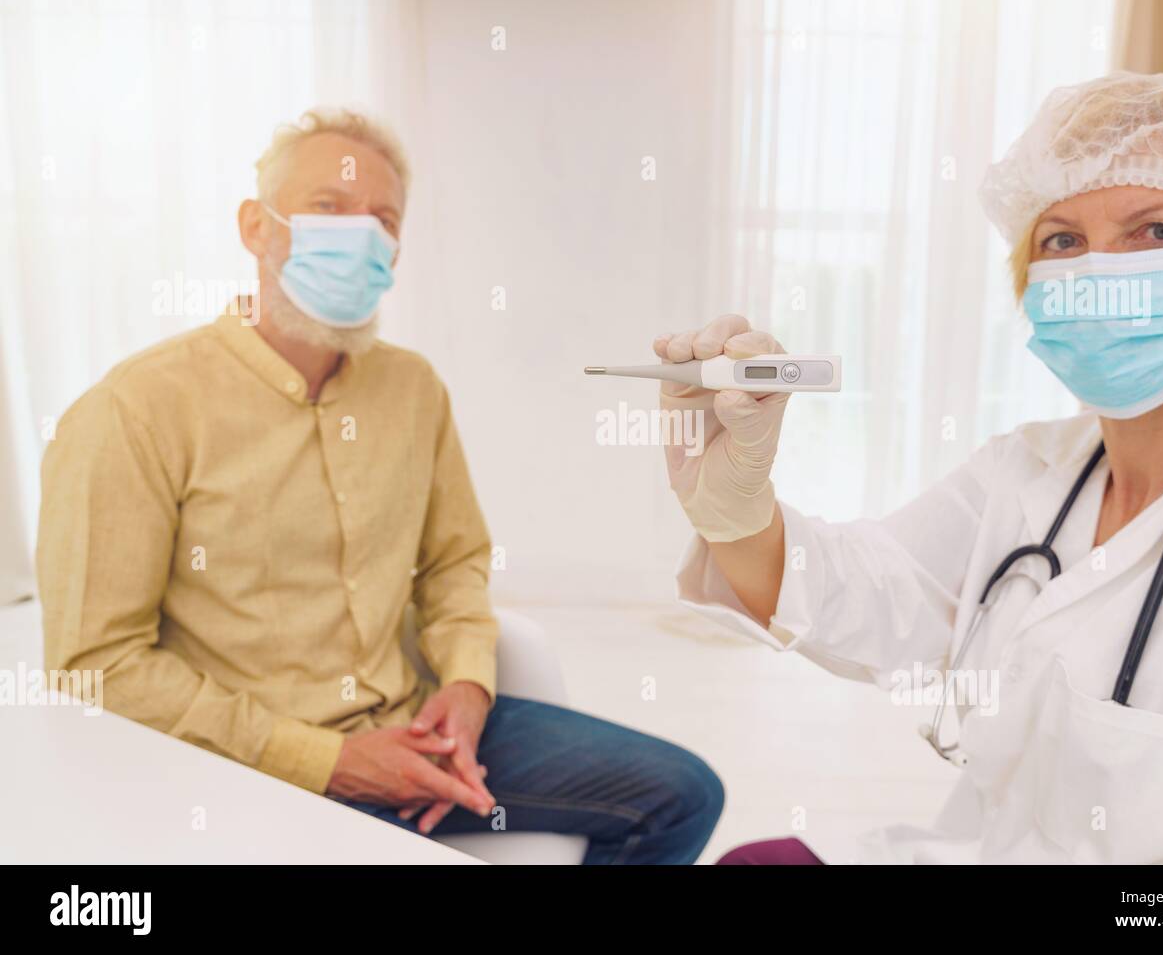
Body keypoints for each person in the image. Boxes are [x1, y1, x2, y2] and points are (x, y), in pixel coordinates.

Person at [37, 108, 723, 865]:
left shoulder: (413, 389)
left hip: (417, 727)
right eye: (328, 207)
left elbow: (456, 560)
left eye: (382, 219)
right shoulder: (134, 409)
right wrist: (327, 761)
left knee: (683, 794)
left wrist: (466, 688)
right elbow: (97, 665)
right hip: (252, 766)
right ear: (255, 228)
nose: (359, 234)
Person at [659, 72, 1163, 864]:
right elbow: (869, 586)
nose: (1098, 271)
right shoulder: (1032, 469)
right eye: (1062, 239)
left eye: (1157, 230)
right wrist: (736, 508)